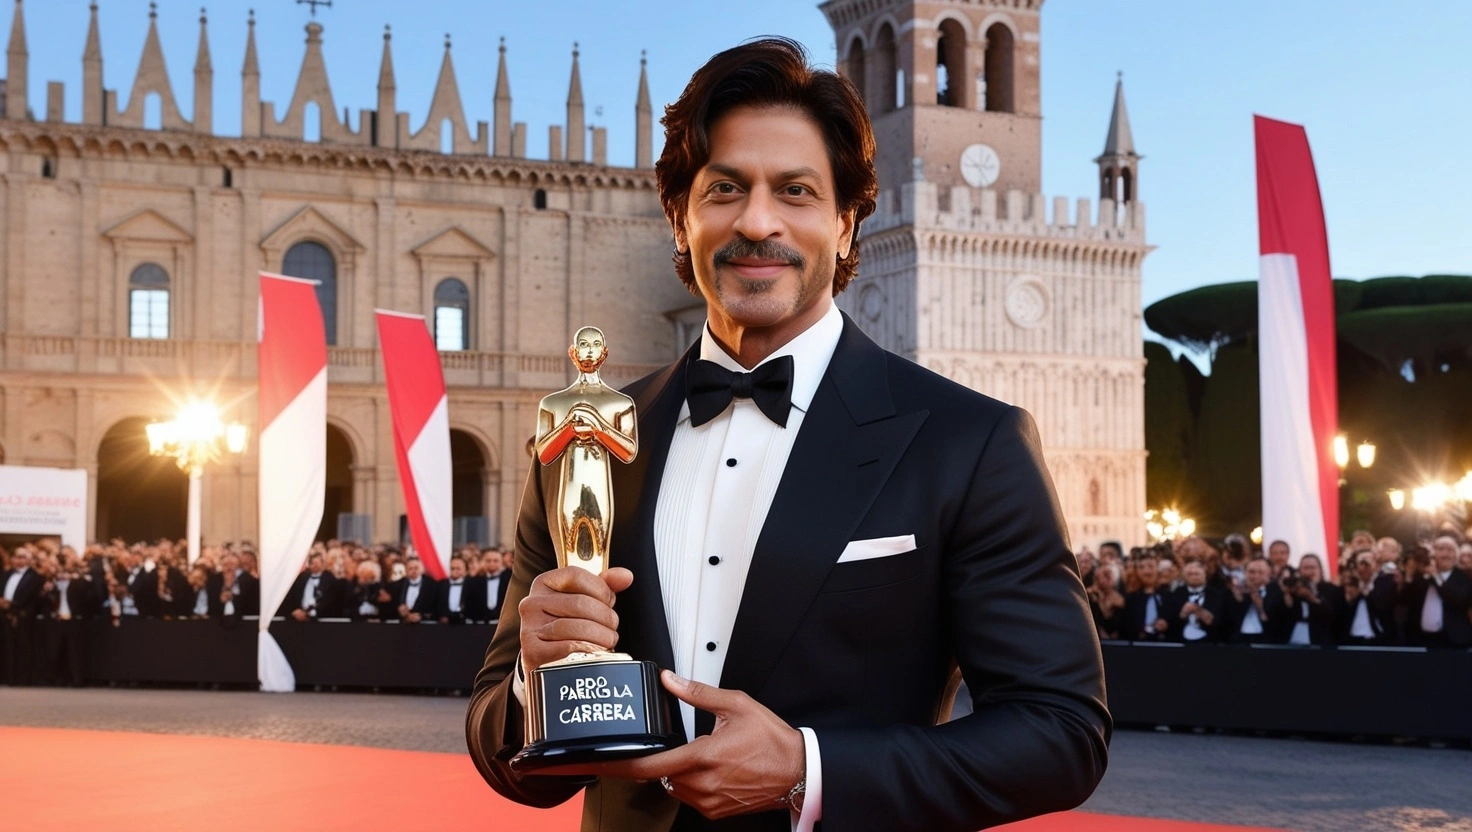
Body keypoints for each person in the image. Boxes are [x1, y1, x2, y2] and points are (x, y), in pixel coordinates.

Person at [465, 38, 1108, 832]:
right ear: (680, 217)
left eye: (796, 192)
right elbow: (510, 764)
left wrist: (811, 771)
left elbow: (1061, 733)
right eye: (725, 188)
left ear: (844, 225)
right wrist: (534, 682)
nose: (758, 220)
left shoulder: (970, 444)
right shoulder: (583, 445)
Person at [1402, 534, 1472, 647]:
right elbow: (1406, 601)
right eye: (1441, 549)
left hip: (1453, 642)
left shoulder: (1463, 577)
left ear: (1456, 555)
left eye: (1450, 550)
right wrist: (1409, 576)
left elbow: (1459, 601)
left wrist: (1436, 577)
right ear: (1433, 554)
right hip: (1422, 640)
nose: (1445, 554)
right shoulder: (1423, 576)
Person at [1272, 553, 1341, 646]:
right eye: (1305, 568)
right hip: (1292, 639)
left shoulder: (1332, 590)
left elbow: (1332, 616)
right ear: (1299, 571)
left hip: (1320, 640)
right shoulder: (1293, 589)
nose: (1309, 572)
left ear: (1320, 570)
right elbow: (1279, 615)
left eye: (1312, 568)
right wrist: (1286, 593)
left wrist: (1311, 597)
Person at [2, 548, 47, 685]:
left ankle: (22, 678)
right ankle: (7, 677)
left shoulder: (36, 577)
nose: (19, 560)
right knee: (6, 647)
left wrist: (11, 604)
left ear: (29, 559)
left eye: (22, 557)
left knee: (23, 648)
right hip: (4, 615)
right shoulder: (6, 574)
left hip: (24, 616)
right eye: (16, 556)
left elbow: (29, 595)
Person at [1340, 550, 1395, 645]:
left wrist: (1366, 588)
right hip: (1352, 638)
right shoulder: (1349, 583)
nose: (1364, 567)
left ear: (1377, 565)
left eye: (1368, 562)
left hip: (1378, 637)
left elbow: (1384, 607)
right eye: (1361, 563)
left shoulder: (1385, 582)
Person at [1163, 561, 1226, 643]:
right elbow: (1169, 622)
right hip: (1180, 643)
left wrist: (1200, 612)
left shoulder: (1217, 594)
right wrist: (1182, 615)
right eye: (1190, 574)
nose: (1194, 576)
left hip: (1210, 643)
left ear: (1205, 573)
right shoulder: (1175, 594)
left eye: (1196, 574)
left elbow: (1223, 622)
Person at [1226, 556, 1281, 644]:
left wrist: (1260, 607)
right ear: (1244, 573)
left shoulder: (1277, 593)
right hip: (1238, 641)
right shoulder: (1234, 592)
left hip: (1267, 640)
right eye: (1251, 572)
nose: (1256, 576)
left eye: (1261, 572)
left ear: (1269, 574)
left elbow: (1279, 622)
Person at [285, 552, 343, 620]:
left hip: (319, 619)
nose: (314, 566)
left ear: (322, 563)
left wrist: (311, 612)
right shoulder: (302, 578)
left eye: (317, 563)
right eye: (312, 563)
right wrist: (296, 610)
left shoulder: (330, 579)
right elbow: (293, 595)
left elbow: (330, 600)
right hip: (299, 617)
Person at [1123, 554, 1169, 641]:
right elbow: (1125, 626)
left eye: (1151, 566)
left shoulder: (1167, 595)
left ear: (1158, 570)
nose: (1146, 571)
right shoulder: (1131, 598)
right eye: (1141, 567)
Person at [464, 548, 510, 623]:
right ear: (483, 562)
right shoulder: (475, 581)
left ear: (502, 563)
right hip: (481, 625)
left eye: (495, 561)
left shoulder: (509, 580)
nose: (492, 563)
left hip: (503, 624)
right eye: (488, 561)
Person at [389, 557, 437, 623]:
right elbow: (393, 605)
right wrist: (400, 611)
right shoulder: (398, 585)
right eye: (410, 568)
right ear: (406, 570)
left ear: (422, 568)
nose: (414, 571)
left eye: (416, 568)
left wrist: (421, 616)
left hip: (425, 626)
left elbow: (435, 607)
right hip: (403, 626)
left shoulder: (431, 585)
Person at [436, 556, 471, 625]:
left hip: (467, 626)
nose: (455, 571)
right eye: (452, 568)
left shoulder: (472, 585)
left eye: (458, 568)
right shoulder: (441, 585)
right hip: (444, 626)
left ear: (466, 570)